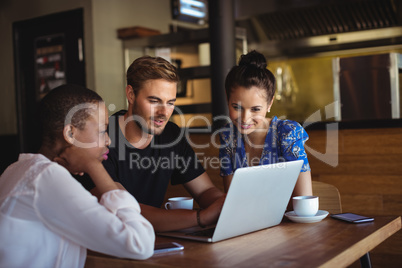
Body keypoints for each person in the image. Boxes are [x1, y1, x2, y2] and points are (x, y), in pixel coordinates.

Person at [0, 84, 155, 268]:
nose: (108, 140)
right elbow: (140, 244)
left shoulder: (17, 168)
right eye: (101, 130)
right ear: (70, 134)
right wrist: (94, 166)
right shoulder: (47, 178)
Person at [84, 56, 225, 232]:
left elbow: (205, 191)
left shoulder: (171, 135)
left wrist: (226, 205)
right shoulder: (101, 140)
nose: (164, 113)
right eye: (154, 101)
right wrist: (200, 218)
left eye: (170, 103)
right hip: (108, 246)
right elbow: (126, 212)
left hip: (151, 242)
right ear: (131, 94)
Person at [219, 50, 312, 199]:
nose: (245, 118)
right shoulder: (228, 136)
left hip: (287, 222)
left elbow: (303, 201)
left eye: (255, 109)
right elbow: (232, 200)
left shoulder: (288, 133)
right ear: (227, 98)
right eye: (237, 107)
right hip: (245, 222)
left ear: (270, 103)